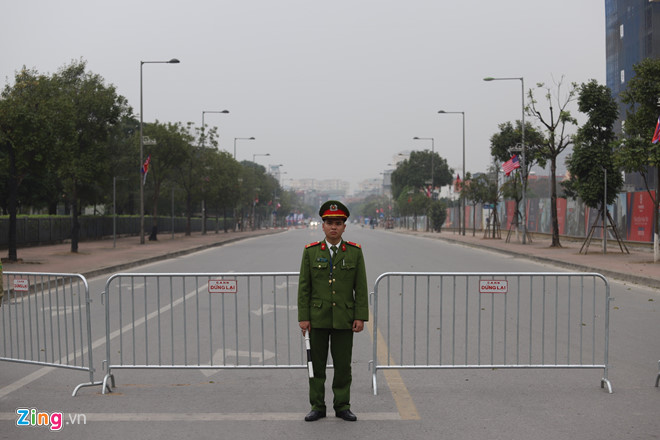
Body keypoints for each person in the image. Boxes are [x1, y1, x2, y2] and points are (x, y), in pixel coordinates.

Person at [297, 200, 369, 422]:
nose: (333, 227)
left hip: (344, 320)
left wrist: (360, 316)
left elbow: (361, 287)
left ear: (344, 226)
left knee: (343, 367)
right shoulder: (310, 252)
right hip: (317, 319)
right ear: (323, 226)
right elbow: (304, 287)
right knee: (316, 367)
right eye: (329, 223)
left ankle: (342, 405)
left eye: (338, 223)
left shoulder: (355, 252)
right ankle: (317, 406)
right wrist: (303, 318)